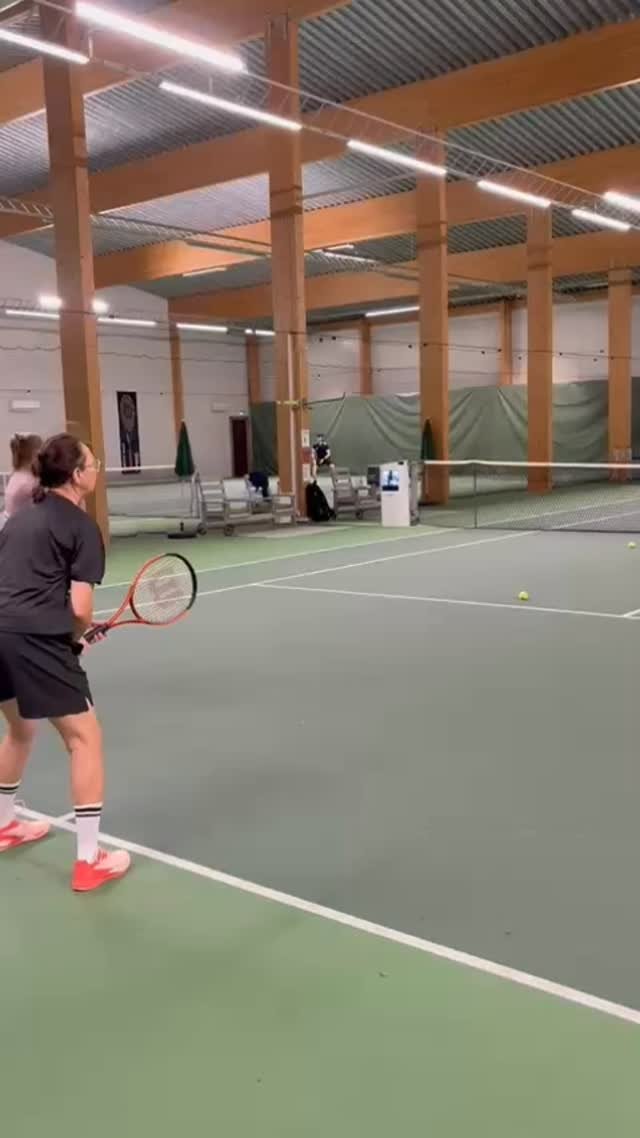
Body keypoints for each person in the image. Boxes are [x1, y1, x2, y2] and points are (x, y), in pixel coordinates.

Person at [0, 433, 130, 892]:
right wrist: (74, 637)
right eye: (93, 463)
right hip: (34, 639)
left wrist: (69, 637)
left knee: (21, 729)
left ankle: (4, 825)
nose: (97, 469)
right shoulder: (81, 527)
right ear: (76, 475)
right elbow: (79, 609)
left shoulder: (19, 519)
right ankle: (89, 861)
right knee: (84, 739)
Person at [2, 433, 42, 526]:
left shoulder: (17, 474)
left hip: (11, 524)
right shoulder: (29, 483)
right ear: (35, 454)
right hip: (19, 527)